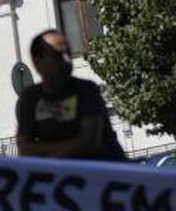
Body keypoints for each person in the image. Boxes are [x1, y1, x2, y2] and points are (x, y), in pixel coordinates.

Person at [16, 30, 128, 161]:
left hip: (105, 174)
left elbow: (88, 143)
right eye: (57, 55)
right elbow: (25, 149)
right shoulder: (29, 99)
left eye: (68, 52)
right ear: (38, 62)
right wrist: (70, 147)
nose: (67, 60)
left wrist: (49, 159)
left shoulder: (87, 90)